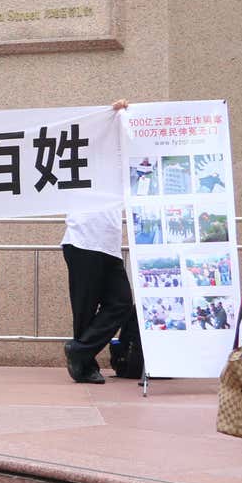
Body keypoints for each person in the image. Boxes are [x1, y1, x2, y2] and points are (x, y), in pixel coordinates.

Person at [62, 103, 142, 383]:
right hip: (82, 239)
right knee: (84, 309)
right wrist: (109, 115)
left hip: (109, 243)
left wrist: (121, 114)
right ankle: (86, 367)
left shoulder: (119, 161)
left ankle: (79, 350)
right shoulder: (80, 158)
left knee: (121, 302)